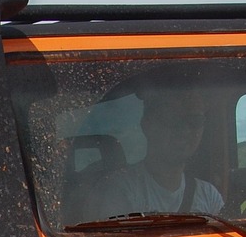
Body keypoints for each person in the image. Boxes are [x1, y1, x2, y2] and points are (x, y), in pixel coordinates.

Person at [83, 86, 223, 220]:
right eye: (173, 119)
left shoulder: (209, 196)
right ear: (147, 125)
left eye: (194, 121)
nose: (185, 131)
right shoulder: (118, 190)